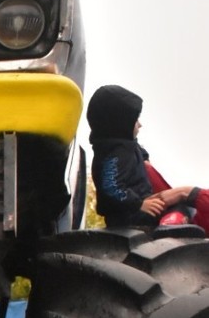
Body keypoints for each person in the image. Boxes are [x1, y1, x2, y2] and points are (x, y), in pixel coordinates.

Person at [86, 85, 209, 234]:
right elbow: (111, 186)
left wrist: (144, 160)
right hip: (130, 215)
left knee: (181, 206)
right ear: (121, 123)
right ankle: (170, 227)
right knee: (182, 206)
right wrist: (138, 204)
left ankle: (171, 224)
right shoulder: (117, 153)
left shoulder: (125, 146)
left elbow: (139, 152)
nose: (140, 124)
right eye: (135, 120)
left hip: (137, 207)